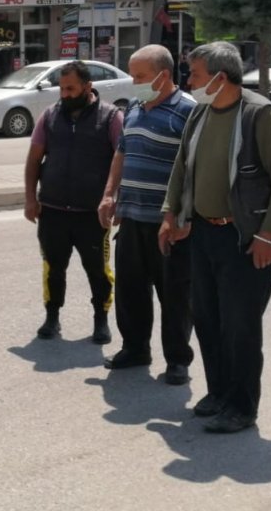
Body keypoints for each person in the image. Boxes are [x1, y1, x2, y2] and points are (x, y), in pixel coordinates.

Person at [160, 41, 271, 433]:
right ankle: (219, 392)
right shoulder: (202, 113)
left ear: (221, 78)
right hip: (205, 232)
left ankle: (242, 406)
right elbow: (182, 166)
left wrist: (270, 234)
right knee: (206, 317)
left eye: (195, 74)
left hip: (245, 237)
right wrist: (170, 213)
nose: (189, 81)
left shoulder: (260, 115)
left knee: (240, 326)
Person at [98, 45, 196, 385]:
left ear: (163, 75)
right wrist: (110, 194)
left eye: (139, 76)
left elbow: (195, 169)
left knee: (175, 295)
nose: (133, 82)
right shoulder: (136, 108)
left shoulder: (188, 111)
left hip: (168, 223)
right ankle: (136, 348)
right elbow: (121, 154)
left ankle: (177, 360)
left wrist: (183, 216)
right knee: (131, 289)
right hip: (132, 216)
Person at [24, 61, 123, 343]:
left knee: (98, 271)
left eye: (71, 88)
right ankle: (52, 318)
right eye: (61, 88)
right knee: (53, 268)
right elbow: (34, 160)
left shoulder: (111, 117)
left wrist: (113, 198)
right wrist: (31, 198)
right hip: (53, 210)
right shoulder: (50, 116)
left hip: (91, 214)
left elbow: (123, 159)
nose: (64, 94)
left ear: (87, 87)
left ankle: (101, 320)